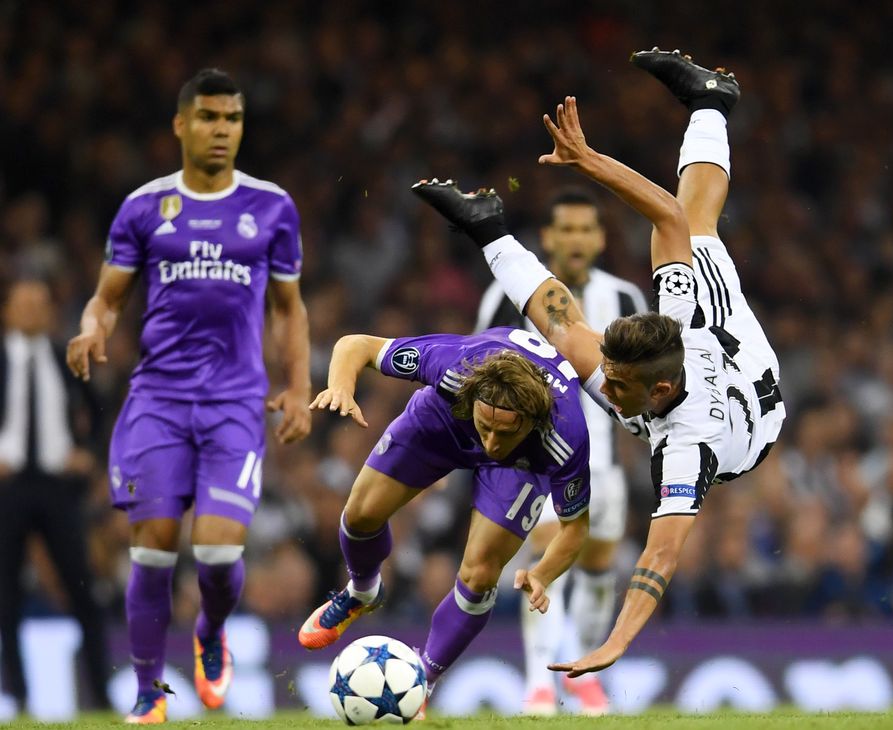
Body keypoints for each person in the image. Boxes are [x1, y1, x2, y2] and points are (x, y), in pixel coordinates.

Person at [414, 48, 785, 676]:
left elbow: (659, 559)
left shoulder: (687, 447)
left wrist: (617, 644)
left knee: (685, 235)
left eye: (616, 382)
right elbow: (659, 216)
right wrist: (587, 164)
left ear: (657, 389)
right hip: (700, 340)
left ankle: (714, 102)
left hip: (749, 391)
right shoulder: (671, 321)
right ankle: (711, 102)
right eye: (608, 373)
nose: (601, 384)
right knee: (687, 226)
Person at [66, 68, 311, 723]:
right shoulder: (145, 207)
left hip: (235, 402)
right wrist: (91, 329)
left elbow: (288, 309)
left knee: (218, 552)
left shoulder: (271, 207)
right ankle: (148, 692)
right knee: (151, 546)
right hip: (160, 400)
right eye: (208, 118)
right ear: (181, 124)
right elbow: (108, 298)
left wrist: (298, 386)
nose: (221, 130)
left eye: (231, 119)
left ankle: (208, 631)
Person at [298, 325, 592, 711]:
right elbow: (356, 345)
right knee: (360, 514)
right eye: (486, 427)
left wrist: (542, 574)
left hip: (520, 464)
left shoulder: (565, 433)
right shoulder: (453, 364)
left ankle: (421, 682)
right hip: (444, 421)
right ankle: (362, 590)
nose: (491, 442)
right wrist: (341, 387)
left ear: (533, 420)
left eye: (504, 431)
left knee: (480, 574)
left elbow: (575, 528)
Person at [474, 188, 646, 715]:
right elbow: (478, 374)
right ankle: (540, 685)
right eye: (564, 229)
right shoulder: (507, 296)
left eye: (585, 229)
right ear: (547, 238)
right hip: (540, 459)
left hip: (607, 464)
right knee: (548, 552)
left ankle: (581, 671)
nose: (575, 240)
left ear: (599, 238)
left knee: (598, 566)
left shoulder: (626, 300)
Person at [0, 278, 110, 714]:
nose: (32, 311)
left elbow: (100, 411)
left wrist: (89, 455)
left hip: (56, 487)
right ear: (7, 311)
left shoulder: (66, 358)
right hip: (7, 488)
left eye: (40, 304)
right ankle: (20, 695)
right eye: (24, 303)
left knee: (83, 588)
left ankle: (101, 693)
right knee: (6, 594)